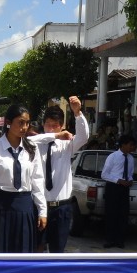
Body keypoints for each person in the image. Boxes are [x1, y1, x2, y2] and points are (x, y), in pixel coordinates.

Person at [0, 103, 47, 253]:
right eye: (20, 122)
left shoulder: (31, 150)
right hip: (0, 208)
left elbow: (37, 182)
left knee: (22, 254)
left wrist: (42, 211)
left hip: (24, 208)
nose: (24, 127)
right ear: (8, 123)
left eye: (27, 123)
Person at [31, 99, 89, 252]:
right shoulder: (35, 144)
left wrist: (77, 113)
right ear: (43, 125)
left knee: (58, 249)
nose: (51, 129)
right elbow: (26, 139)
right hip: (38, 205)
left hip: (61, 206)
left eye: (55, 125)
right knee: (37, 246)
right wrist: (54, 136)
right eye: (48, 125)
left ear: (62, 126)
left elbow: (83, 137)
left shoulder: (67, 145)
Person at [100, 134, 137, 248]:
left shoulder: (130, 158)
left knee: (123, 214)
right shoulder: (113, 156)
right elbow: (104, 174)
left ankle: (120, 240)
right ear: (123, 145)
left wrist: (130, 180)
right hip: (113, 187)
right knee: (111, 214)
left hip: (124, 188)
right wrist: (118, 181)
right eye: (130, 145)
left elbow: (130, 173)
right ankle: (109, 239)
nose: (132, 148)